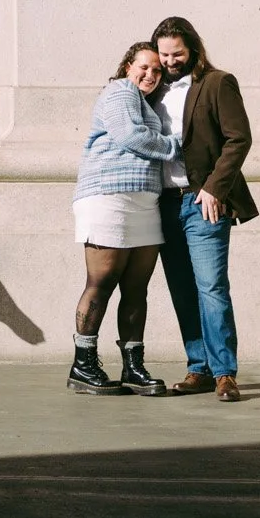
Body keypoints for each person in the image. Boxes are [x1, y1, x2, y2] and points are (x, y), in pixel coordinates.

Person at [152, 16, 256, 403]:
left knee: (211, 286)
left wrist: (214, 188)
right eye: (164, 54)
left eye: (177, 53)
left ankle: (225, 373)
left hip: (202, 202)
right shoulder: (151, 87)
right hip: (162, 203)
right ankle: (199, 367)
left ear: (193, 49)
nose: (170, 61)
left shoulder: (217, 83)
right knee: (181, 287)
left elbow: (238, 139)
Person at [67, 43, 177, 396]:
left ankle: (133, 367)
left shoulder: (146, 103)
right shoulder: (119, 90)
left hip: (144, 201)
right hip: (108, 196)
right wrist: (177, 145)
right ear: (128, 66)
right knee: (102, 280)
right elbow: (130, 136)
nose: (150, 75)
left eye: (157, 71)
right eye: (144, 67)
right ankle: (83, 365)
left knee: (136, 288)